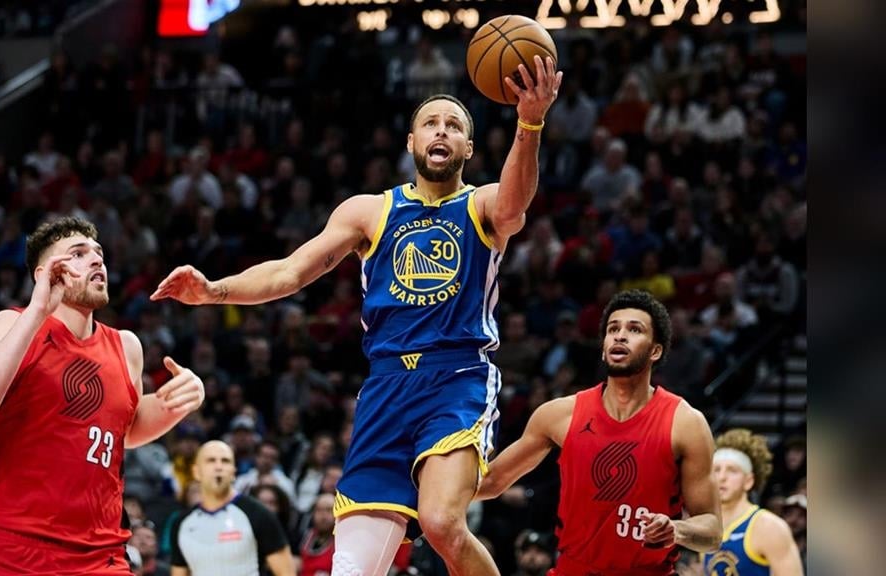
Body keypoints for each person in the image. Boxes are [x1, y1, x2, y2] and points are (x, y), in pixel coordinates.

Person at [153, 55, 563, 576]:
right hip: (385, 386)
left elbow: (514, 205)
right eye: (430, 123)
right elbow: (289, 272)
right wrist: (215, 291)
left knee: (440, 522)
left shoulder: (481, 205)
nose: (441, 131)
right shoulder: (369, 211)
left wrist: (530, 123)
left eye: (454, 126)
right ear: (411, 143)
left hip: (455, 377)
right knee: (349, 568)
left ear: (468, 149)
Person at [0, 216, 205, 575]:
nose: (97, 259)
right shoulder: (10, 324)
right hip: (11, 549)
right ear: (45, 274)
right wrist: (38, 310)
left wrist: (175, 402)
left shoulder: (126, 346)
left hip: (100, 555)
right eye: (78, 253)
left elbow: (124, 431)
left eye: (98, 252)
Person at [477, 289, 722, 575]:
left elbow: (712, 530)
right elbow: (491, 481)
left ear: (655, 351)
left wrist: (677, 530)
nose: (620, 336)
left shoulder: (686, 423)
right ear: (604, 346)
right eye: (613, 329)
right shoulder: (559, 415)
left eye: (634, 329)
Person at [169, 441, 294, 576]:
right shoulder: (182, 524)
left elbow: (287, 573)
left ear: (234, 471)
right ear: (196, 471)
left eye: (225, 461)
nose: (218, 467)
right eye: (211, 460)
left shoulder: (258, 515)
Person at [703, 428, 804, 576]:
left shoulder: (769, 527)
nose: (722, 477)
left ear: (749, 481)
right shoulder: (708, 528)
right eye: (716, 470)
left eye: (732, 470)